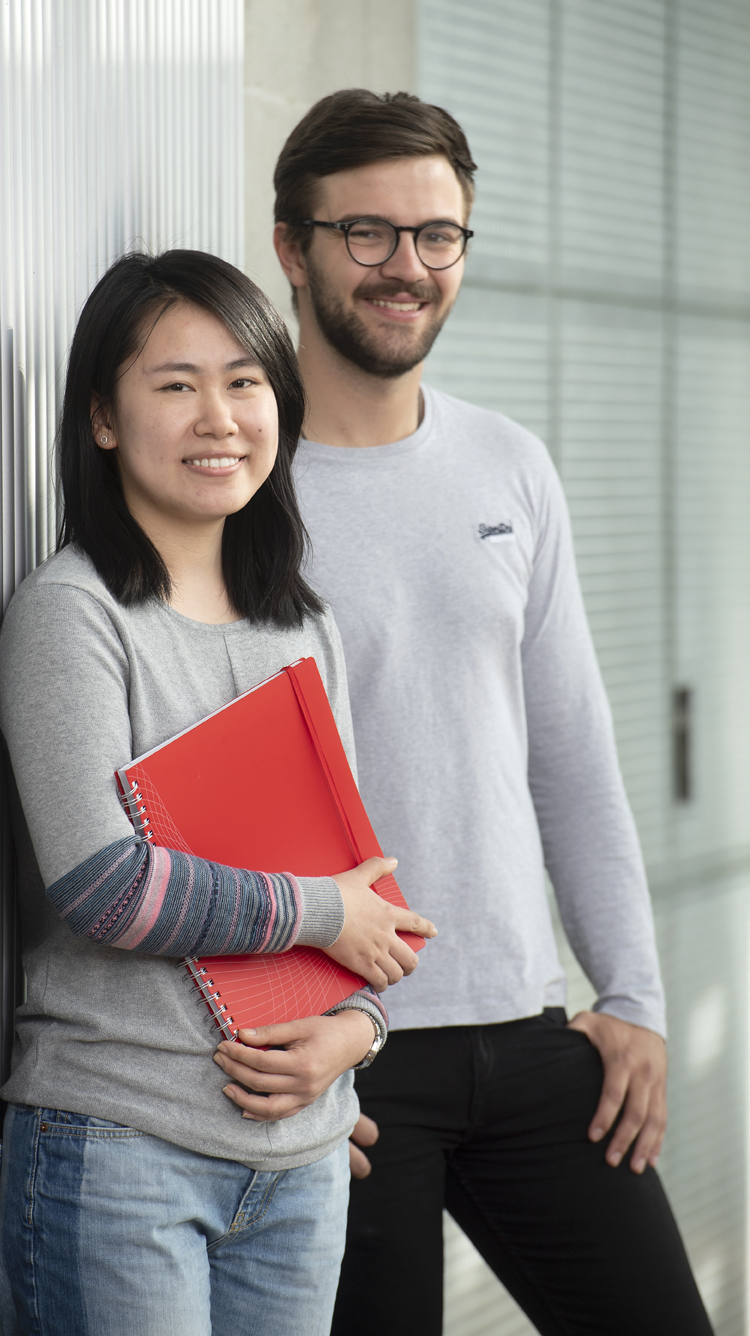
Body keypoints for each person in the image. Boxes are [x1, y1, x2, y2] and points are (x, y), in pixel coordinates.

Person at [271, 89, 714, 1335]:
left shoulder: (510, 462)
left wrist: (630, 994)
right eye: (366, 233)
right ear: (291, 245)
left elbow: (569, 749)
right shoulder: (244, 480)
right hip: (346, 1053)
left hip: (528, 1033)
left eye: (436, 235)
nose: (405, 267)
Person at [0, 248, 437, 1336]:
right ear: (102, 417)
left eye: (244, 382)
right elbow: (108, 888)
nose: (219, 417)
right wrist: (322, 909)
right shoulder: (72, 614)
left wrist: (359, 1034)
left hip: (303, 1163)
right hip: (120, 1151)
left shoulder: (303, 625)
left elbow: (368, 888)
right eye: (175, 385)